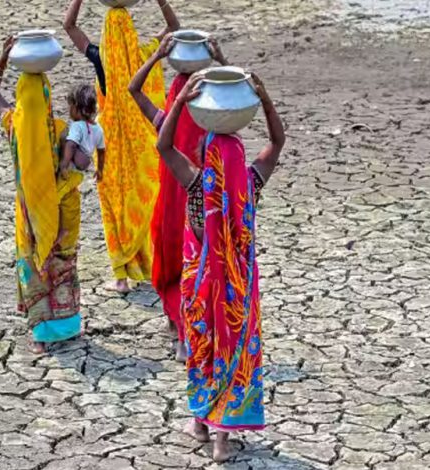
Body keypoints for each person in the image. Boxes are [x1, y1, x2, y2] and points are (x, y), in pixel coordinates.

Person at [156, 72, 285, 463]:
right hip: (237, 291)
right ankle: (221, 441)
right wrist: (262, 97)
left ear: (207, 156)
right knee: (232, 351)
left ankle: (200, 422)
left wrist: (179, 103)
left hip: (200, 289)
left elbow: (163, 146)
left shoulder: (197, 185)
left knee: (202, 350)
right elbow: (278, 141)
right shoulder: (250, 184)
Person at [64, 0, 180, 293]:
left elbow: (69, 26)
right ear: (130, 31)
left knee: (114, 203)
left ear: (105, 34)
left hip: (110, 143)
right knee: (141, 201)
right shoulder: (143, 56)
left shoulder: (99, 57)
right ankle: (151, 265)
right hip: (140, 142)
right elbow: (174, 28)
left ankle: (120, 276)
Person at [128, 33, 228, 363]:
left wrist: (158, 55)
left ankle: (181, 334)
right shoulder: (208, 127)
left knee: (177, 267)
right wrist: (221, 62)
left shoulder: (168, 128)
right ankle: (186, 335)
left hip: (178, 205)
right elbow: (236, 103)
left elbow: (134, 89)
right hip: (200, 205)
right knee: (195, 268)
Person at [0, 36, 83, 354]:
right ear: (47, 97)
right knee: (61, 266)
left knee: (34, 268)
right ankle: (68, 325)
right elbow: (82, 165)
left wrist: (2, 61)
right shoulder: (60, 129)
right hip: (60, 213)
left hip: (26, 215)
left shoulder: (15, 126)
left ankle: (41, 336)